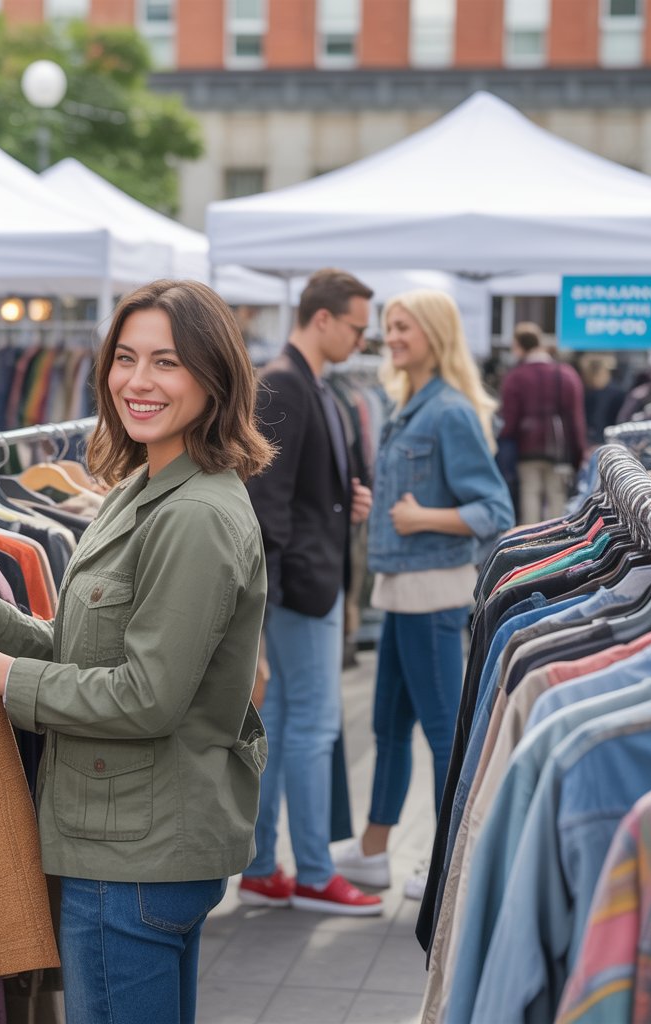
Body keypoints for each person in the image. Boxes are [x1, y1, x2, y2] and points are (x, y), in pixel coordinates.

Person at [0, 279, 275, 1024]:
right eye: (125, 358)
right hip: (128, 840)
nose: (137, 382)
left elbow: (146, 696)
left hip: (132, 854)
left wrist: (6, 677)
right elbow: (93, 651)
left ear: (214, 376)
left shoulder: (194, 515)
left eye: (166, 362)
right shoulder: (146, 484)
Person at [332, 289, 514, 900]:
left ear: (434, 333)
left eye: (403, 326)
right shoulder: (410, 405)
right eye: (389, 326)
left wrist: (421, 518)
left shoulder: (448, 412)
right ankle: (375, 851)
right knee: (387, 727)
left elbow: (495, 509)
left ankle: (446, 866)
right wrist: (380, 509)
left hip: (431, 594)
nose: (393, 337)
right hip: (403, 592)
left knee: (442, 734)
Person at [239, 268, 380, 915]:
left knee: (288, 726)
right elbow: (265, 500)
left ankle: (267, 868)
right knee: (313, 726)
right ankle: (315, 874)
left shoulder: (304, 382)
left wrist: (340, 500)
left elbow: (291, 488)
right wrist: (270, 605)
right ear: (323, 318)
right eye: (356, 325)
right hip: (302, 587)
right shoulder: (288, 384)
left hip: (305, 581)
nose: (362, 338)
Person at [498, 321, 586, 525]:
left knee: (530, 493)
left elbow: (508, 421)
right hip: (559, 449)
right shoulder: (566, 374)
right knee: (557, 496)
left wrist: (504, 446)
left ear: (519, 346)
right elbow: (576, 418)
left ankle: (530, 545)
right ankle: (556, 545)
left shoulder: (515, 377)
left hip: (526, 448)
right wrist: (578, 453)